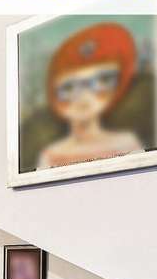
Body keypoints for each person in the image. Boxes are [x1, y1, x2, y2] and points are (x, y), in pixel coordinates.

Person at [36, 22, 144, 170]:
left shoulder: (127, 144)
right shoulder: (50, 155)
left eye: (102, 81)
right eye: (69, 87)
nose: (84, 97)